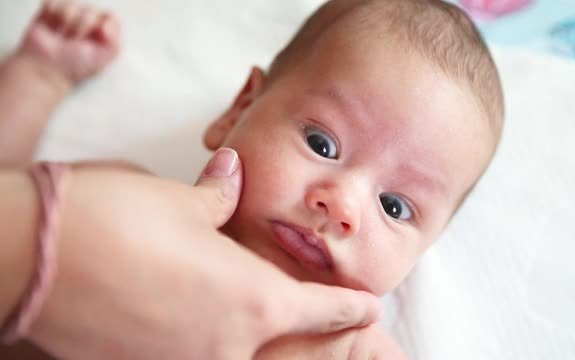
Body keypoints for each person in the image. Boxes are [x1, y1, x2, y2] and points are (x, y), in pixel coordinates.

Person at [2, 0, 505, 357]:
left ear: (427, 247)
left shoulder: (350, 351)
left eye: (394, 207)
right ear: (239, 108)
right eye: (321, 144)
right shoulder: (129, 203)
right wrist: (38, 77)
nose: (343, 205)